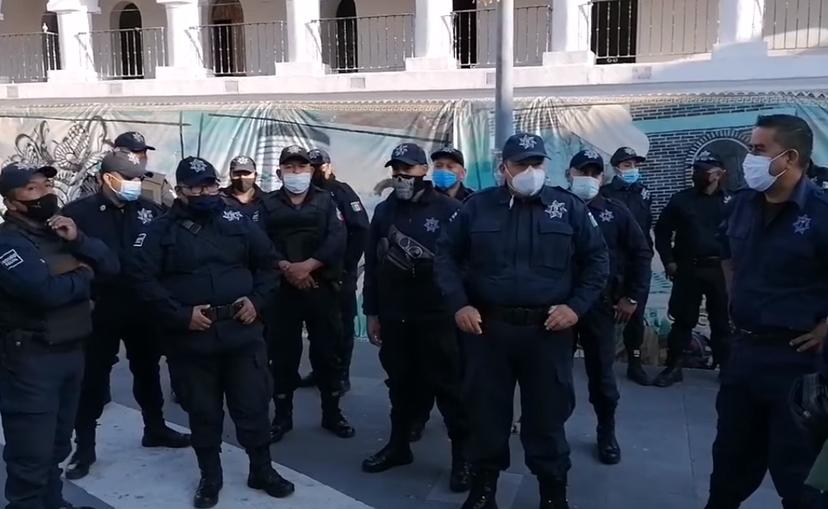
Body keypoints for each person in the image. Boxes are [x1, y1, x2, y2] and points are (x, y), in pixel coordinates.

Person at [435, 133, 609, 509]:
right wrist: (459, 305)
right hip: (487, 330)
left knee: (547, 416)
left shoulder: (568, 207)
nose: (530, 171)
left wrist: (576, 307)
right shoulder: (477, 208)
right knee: (485, 413)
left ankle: (552, 492)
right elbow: (445, 256)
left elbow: (597, 261)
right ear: (504, 168)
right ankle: (484, 489)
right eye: (521, 165)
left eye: (537, 163)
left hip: (547, 332)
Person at [126, 157, 294, 508]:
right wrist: (180, 315)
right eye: (194, 187)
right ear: (181, 190)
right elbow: (142, 281)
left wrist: (257, 301)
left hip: (242, 331)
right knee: (203, 412)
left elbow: (268, 264)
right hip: (192, 338)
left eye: (209, 185)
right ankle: (211, 477)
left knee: (252, 406)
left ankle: (261, 470)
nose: (204, 192)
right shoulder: (160, 230)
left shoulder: (240, 220)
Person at [706, 114, 828, 508]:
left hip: (798, 360)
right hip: (744, 355)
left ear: (789, 157)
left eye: (759, 150)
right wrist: (733, 295)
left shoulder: (822, 213)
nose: (749, 158)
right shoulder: (742, 204)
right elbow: (728, 254)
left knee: (797, 476)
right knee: (729, 464)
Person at [61, 150, 190, 481]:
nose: (136, 185)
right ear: (108, 179)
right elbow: (61, 259)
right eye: (129, 179)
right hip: (99, 308)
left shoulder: (150, 211)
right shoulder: (78, 214)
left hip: (142, 306)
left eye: (138, 179)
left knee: (147, 371)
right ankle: (85, 447)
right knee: (92, 379)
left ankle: (155, 428)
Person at [0, 162, 119, 509]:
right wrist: (83, 274)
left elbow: (110, 267)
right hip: (30, 360)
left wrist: (79, 240)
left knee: (56, 446)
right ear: (12, 203)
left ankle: (53, 504)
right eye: (32, 189)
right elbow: (44, 291)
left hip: (70, 351)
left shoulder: (60, 231)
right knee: (30, 455)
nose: (45, 193)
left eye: (46, 185)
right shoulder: (8, 243)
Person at [361, 143, 471, 492]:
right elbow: (373, 265)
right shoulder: (383, 211)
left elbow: (466, 265)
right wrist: (372, 313)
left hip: (437, 317)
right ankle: (398, 447)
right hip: (396, 316)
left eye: (408, 169)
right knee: (400, 385)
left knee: (449, 389)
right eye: (396, 170)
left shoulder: (451, 210)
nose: (401, 176)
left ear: (423, 171)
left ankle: (462, 459)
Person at [260, 145, 355, 443]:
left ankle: (332, 413)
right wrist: (287, 268)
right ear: (280, 172)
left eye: (301, 167)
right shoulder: (267, 204)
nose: (296, 173)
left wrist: (309, 266)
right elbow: (258, 242)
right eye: (290, 168)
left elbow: (337, 238)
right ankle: (282, 416)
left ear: (311, 171)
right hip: (282, 291)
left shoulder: (327, 201)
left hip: (321, 287)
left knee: (327, 353)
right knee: (282, 356)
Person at [567, 149, 652, 465]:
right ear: (569, 174)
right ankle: (549, 429)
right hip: (559, 307)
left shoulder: (615, 212)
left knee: (601, 374)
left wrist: (632, 297)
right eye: (581, 172)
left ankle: (606, 430)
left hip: (599, 306)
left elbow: (640, 253)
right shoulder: (555, 208)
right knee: (554, 374)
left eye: (594, 173)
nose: (587, 179)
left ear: (602, 178)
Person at [404, 144, 475, 442]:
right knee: (418, 370)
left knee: (456, 373)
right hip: (423, 300)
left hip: (459, 304)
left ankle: (462, 437)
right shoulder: (422, 201)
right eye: (439, 165)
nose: (444, 171)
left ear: (462, 171)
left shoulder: (474, 204)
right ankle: (416, 418)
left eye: (451, 165)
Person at [652, 152, 732, 388]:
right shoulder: (681, 200)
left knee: (722, 322)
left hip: (720, 270)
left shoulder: (731, 201)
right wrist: (668, 260)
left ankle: (725, 368)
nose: (699, 174)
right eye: (696, 169)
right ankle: (673, 367)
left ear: (719, 174)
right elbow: (662, 232)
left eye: (705, 169)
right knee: (683, 320)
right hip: (688, 268)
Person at [297, 148, 369, 393]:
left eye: (319, 166)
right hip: (310, 273)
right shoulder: (304, 194)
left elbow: (360, 230)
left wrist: (348, 266)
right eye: (311, 167)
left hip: (339, 274)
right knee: (318, 327)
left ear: (329, 167)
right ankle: (320, 372)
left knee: (341, 326)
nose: (316, 171)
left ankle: (340, 375)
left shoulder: (341, 192)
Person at [600, 146, 653, 386]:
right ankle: (602, 364)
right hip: (612, 262)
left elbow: (647, 224)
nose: (632, 169)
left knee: (635, 313)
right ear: (616, 168)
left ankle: (635, 362)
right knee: (603, 316)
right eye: (627, 165)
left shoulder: (644, 192)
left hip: (637, 262)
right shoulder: (606, 193)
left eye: (635, 165)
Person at [113, 131, 176, 208]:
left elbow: (176, 211)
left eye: (144, 152)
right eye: (135, 152)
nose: (142, 156)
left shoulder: (158, 183)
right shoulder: (100, 181)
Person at [220, 155, 266, 224]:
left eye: (246, 173)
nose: (242, 177)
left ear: (255, 175)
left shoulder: (266, 200)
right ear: (230, 175)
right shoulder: (219, 199)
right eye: (237, 174)